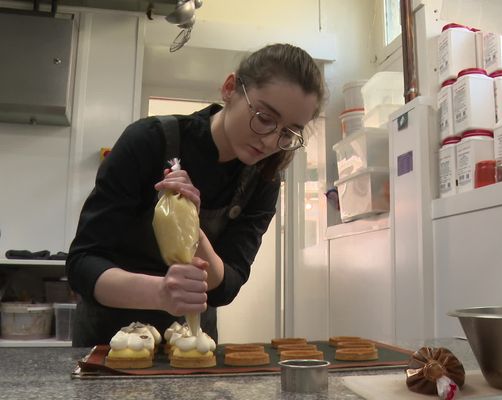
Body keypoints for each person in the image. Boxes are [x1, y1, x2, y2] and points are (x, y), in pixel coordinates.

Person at [66, 43, 325, 347]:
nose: (270, 141)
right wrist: (160, 293)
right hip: (109, 340)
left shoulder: (263, 180)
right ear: (230, 89)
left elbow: (225, 286)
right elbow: (83, 263)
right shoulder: (148, 141)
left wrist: (194, 232)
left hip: (192, 340)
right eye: (265, 118)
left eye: (287, 133)